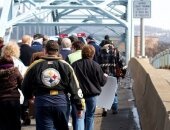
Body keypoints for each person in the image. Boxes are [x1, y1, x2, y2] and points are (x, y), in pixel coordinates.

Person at [21, 40, 85, 130]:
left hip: (42, 101)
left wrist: (30, 97)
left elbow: (24, 85)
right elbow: (75, 87)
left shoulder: (35, 65)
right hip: (61, 102)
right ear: (57, 51)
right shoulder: (66, 66)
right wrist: (79, 106)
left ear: (45, 50)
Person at [72, 45, 107, 130]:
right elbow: (102, 82)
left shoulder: (74, 65)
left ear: (82, 53)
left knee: (79, 117)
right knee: (90, 116)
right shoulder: (96, 65)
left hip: (78, 96)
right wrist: (105, 76)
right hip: (92, 95)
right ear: (93, 54)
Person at [0, 48, 23, 130]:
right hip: (14, 100)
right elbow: (22, 84)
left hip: (2, 100)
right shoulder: (15, 71)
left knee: (3, 123)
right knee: (15, 122)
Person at [98, 43, 120, 116]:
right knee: (114, 92)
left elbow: (98, 65)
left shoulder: (100, 54)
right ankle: (115, 109)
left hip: (103, 76)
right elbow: (119, 63)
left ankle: (105, 109)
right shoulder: (114, 54)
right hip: (113, 75)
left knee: (104, 92)